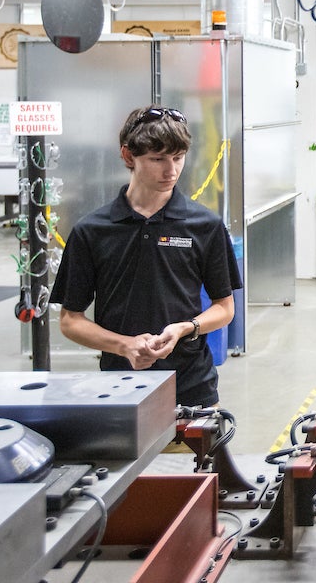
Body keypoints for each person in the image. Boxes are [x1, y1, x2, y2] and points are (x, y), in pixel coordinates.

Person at [50, 105, 243, 407]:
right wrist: (125, 346)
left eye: (178, 158)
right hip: (118, 386)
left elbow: (224, 308)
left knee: (206, 454)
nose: (171, 171)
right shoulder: (92, 231)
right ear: (128, 156)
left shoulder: (205, 225)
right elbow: (70, 320)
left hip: (191, 385)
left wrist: (184, 329)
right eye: (157, 159)